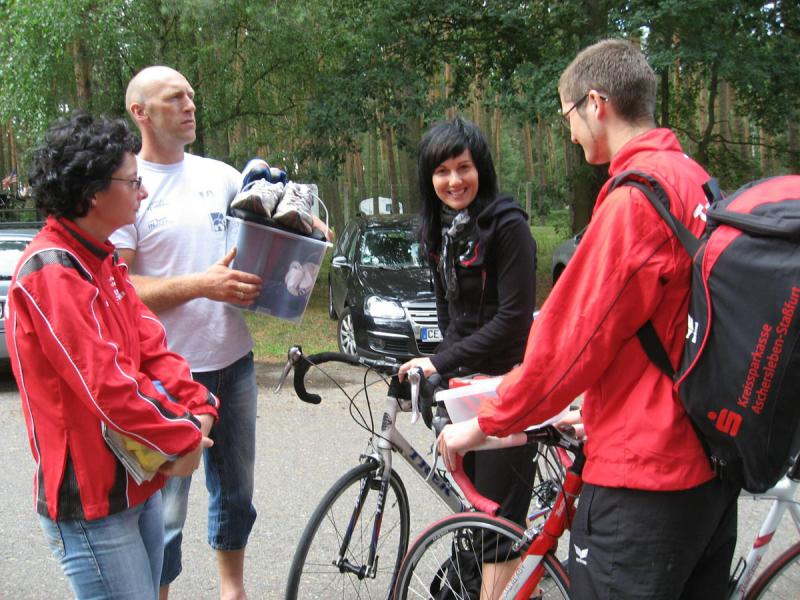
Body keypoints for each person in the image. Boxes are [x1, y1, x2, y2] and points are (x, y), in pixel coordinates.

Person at [437, 39, 741, 599]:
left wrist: (483, 425)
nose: (571, 132)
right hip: (709, 468)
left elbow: (566, 345)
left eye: (568, 116)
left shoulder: (634, 200)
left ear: (596, 104)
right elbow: (665, 329)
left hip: (643, 479)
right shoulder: (695, 178)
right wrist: (591, 410)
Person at [5, 112, 217, 599]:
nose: (143, 191)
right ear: (93, 193)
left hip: (137, 483)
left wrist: (199, 404)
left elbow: (152, 348)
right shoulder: (51, 272)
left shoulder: (103, 259)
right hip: (92, 505)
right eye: (133, 181)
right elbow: (107, 386)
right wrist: (183, 436)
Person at [112, 65, 262, 600]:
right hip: (167, 375)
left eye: (191, 95)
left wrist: (304, 231)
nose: (190, 105)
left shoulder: (221, 176)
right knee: (165, 508)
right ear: (140, 112)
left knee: (237, 495)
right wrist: (202, 285)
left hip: (235, 361)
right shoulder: (127, 187)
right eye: (175, 97)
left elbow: (265, 235)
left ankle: (232, 591)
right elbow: (120, 287)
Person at [398, 116, 538, 597]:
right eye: (442, 171)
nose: (454, 181)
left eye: (464, 167)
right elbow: (452, 322)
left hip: (506, 386)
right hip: (464, 389)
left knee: (499, 528)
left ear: (482, 169)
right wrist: (434, 370)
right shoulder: (439, 231)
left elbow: (513, 321)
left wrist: (439, 363)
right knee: (478, 514)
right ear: (428, 178)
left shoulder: (508, 225)